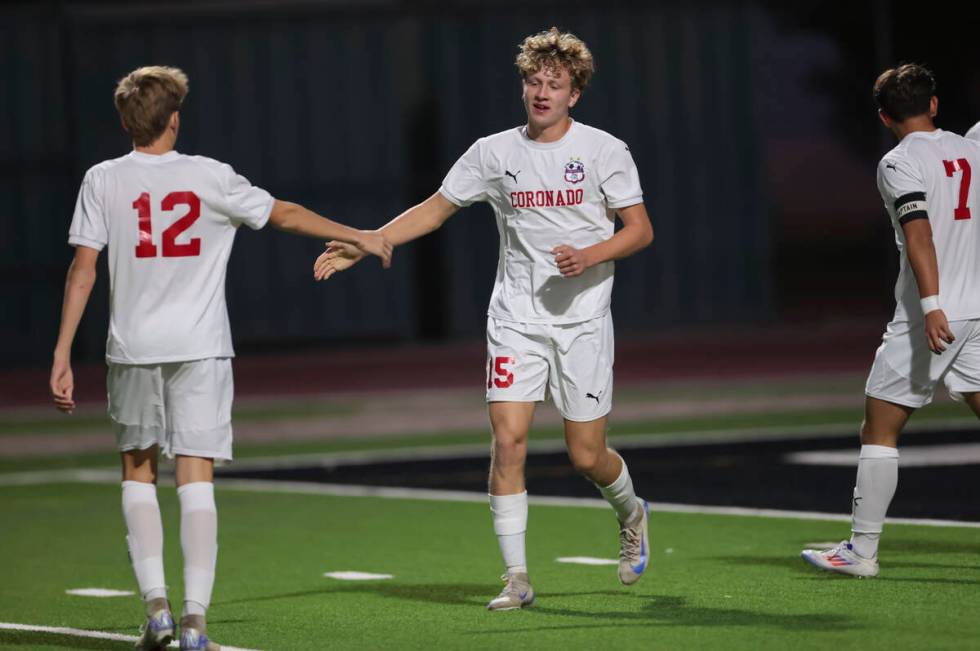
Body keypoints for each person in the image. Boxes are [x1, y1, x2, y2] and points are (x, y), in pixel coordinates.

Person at [49, 66, 391, 649]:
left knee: (137, 472)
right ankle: (194, 622)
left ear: (125, 120)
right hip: (201, 348)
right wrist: (357, 233)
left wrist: (61, 353)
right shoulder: (210, 177)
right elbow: (282, 212)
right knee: (195, 476)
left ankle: (156, 610)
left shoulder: (102, 179)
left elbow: (84, 269)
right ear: (174, 119)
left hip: (132, 349)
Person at [314, 27, 654, 609]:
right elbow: (435, 210)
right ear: (523, 85)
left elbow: (640, 230)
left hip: (583, 322)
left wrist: (589, 255)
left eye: (555, 84)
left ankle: (631, 512)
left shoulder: (604, 150)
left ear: (575, 94)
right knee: (508, 439)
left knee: (586, 456)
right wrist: (368, 241)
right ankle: (517, 577)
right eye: (534, 81)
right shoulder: (492, 152)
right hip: (515, 319)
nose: (542, 92)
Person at [801, 64, 980, 577]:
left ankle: (861, 551)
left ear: (884, 117)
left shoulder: (898, 161)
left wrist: (930, 307)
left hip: (933, 314)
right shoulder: (972, 149)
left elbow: (919, 234)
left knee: (879, 427)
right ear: (935, 104)